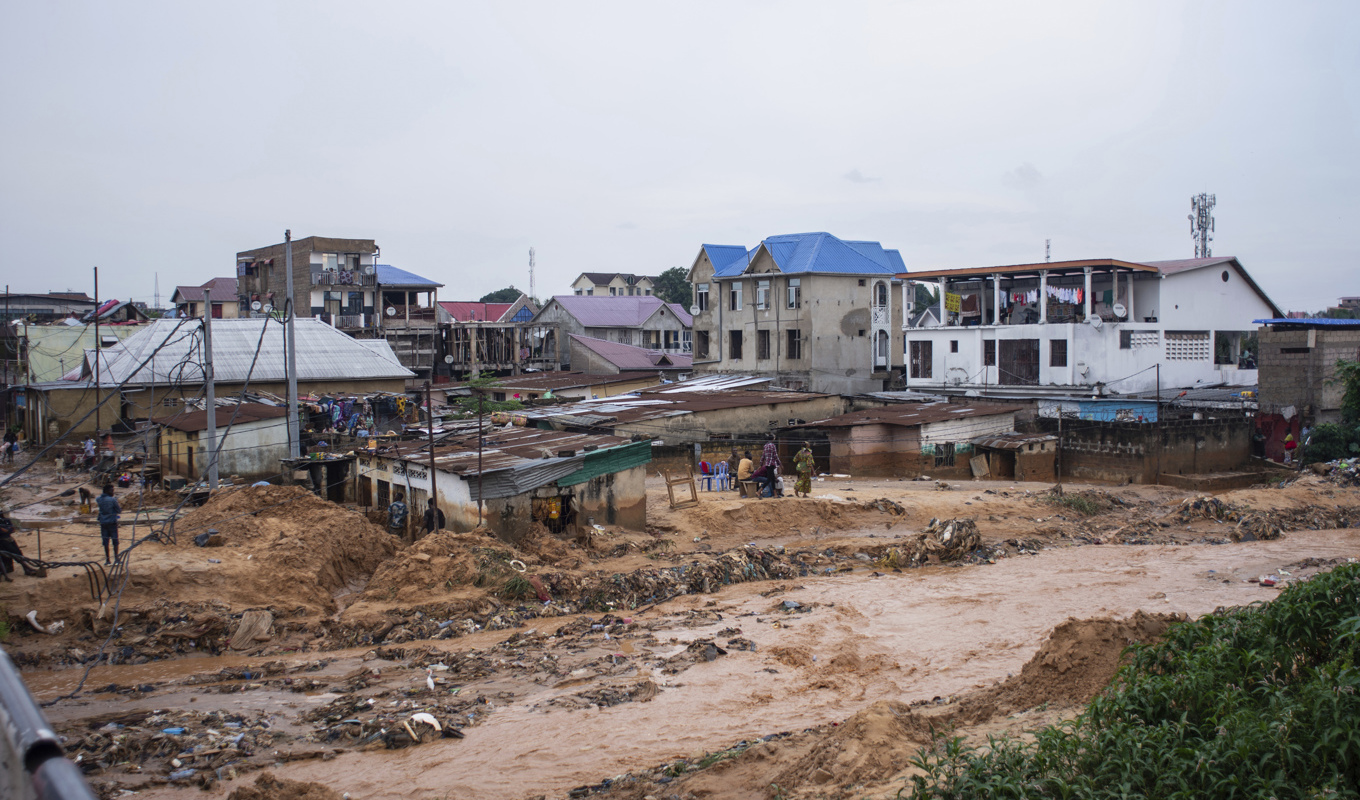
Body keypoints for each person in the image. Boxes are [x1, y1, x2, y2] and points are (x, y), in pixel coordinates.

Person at [0, 509, 39, 579]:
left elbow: (11, 529)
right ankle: (26, 568)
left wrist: (5, 530)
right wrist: (6, 530)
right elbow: (6, 530)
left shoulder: (5, 520)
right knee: (14, 554)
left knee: (18, 553)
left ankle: (26, 568)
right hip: (2, 541)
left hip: (9, 538)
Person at [96, 483, 121, 565]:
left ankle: (107, 560)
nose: (113, 492)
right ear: (107, 491)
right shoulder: (112, 500)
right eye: (112, 491)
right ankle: (116, 559)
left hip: (103, 522)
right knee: (115, 541)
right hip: (112, 522)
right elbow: (119, 510)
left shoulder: (98, 499)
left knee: (105, 542)